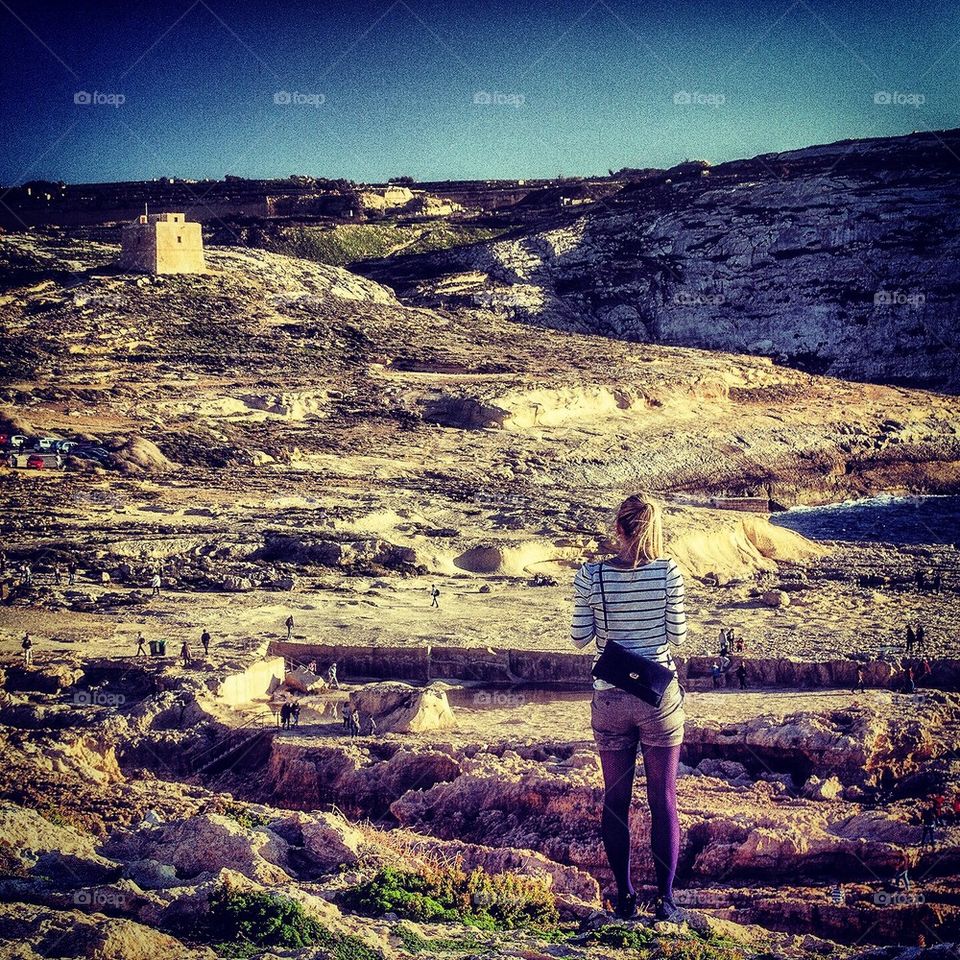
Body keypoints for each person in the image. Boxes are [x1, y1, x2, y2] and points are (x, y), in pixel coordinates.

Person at [571, 493, 686, 921]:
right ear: (654, 529)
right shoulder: (668, 572)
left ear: (617, 528)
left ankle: (624, 897)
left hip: (610, 696)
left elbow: (580, 638)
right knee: (664, 799)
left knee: (615, 800)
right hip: (658, 698)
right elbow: (677, 635)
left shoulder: (591, 575)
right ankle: (668, 903)